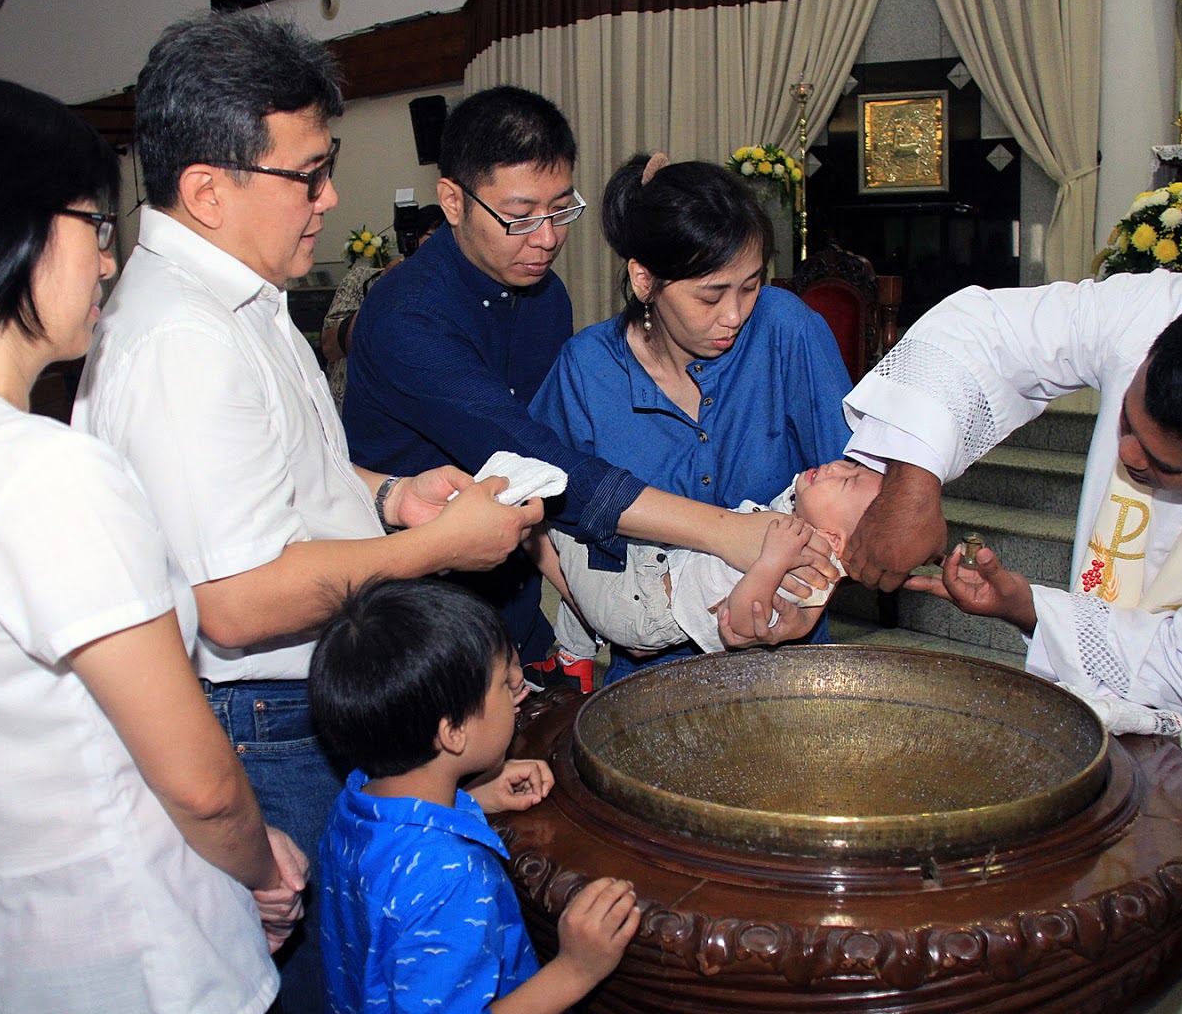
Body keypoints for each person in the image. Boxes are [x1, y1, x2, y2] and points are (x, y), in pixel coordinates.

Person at [71, 13, 539, 1014]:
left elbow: (286, 478)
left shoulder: (236, 292)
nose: (329, 197)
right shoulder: (183, 340)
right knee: (328, 989)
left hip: (296, 701)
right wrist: (436, 548)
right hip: (263, 718)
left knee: (366, 966)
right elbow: (234, 601)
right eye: (309, 174)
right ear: (208, 189)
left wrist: (390, 497)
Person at [0, 73, 304, 1014]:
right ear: (5, 225)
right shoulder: (45, 471)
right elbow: (200, 784)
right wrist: (263, 865)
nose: (106, 262)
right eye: (94, 226)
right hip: (150, 963)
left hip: (19, 949)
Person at [840, 269, 1182, 1014]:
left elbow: (1178, 666)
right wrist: (910, 485)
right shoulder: (1158, 313)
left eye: (1159, 464)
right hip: (1144, 672)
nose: (1124, 454)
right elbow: (982, 329)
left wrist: (1033, 608)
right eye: (1127, 419)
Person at [344, 100, 831, 680]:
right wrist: (727, 535)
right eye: (520, 216)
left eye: (560, 209)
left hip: (511, 593)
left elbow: (540, 488)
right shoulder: (409, 317)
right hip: (418, 611)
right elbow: (537, 458)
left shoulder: (544, 296)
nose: (547, 238)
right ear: (453, 201)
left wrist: (589, 606)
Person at [530, 154, 856, 683]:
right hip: (650, 674)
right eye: (710, 296)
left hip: (789, 663)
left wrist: (810, 606)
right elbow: (532, 506)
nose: (734, 315)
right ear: (644, 280)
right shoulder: (588, 369)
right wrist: (604, 617)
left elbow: (856, 494)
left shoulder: (785, 329)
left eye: (750, 285)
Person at [308, 578, 641, 1014]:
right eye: (504, 684)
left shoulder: (356, 801)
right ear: (453, 732)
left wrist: (471, 801)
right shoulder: (452, 878)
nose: (520, 687)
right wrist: (575, 970)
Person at [538, 458, 880, 660]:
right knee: (595, 533)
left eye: (847, 482)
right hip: (654, 565)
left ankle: (579, 646)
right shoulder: (800, 524)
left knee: (561, 516)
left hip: (641, 607)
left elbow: (741, 627)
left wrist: (770, 563)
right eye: (851, 466)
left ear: (833, 539)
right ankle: (575, 658)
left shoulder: (807, 572)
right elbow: (801, 495)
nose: (837, 466)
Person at [320, 207, 444, 410]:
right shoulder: (361, 280)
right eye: (434, 237)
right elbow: (330, 347)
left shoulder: (450, 291)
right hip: (350, 408)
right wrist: (383, 291)